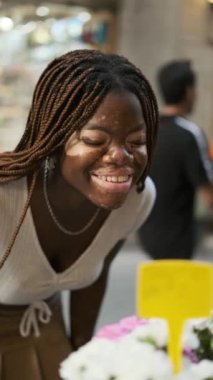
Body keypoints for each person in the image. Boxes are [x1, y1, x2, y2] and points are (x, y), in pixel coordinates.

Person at [0, 49, 158, 379]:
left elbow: (95, 273)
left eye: (137, 140)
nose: (120, 156)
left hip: (49, 331)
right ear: (55, 140)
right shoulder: (6, 198)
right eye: (94, 139)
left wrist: (84, 354)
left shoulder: (136, 200)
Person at [138, 59, 213, 260]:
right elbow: (209, 193)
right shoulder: (190, 134)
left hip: (147, 234)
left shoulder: (148, 131)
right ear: (188, 91)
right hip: (178, 239)